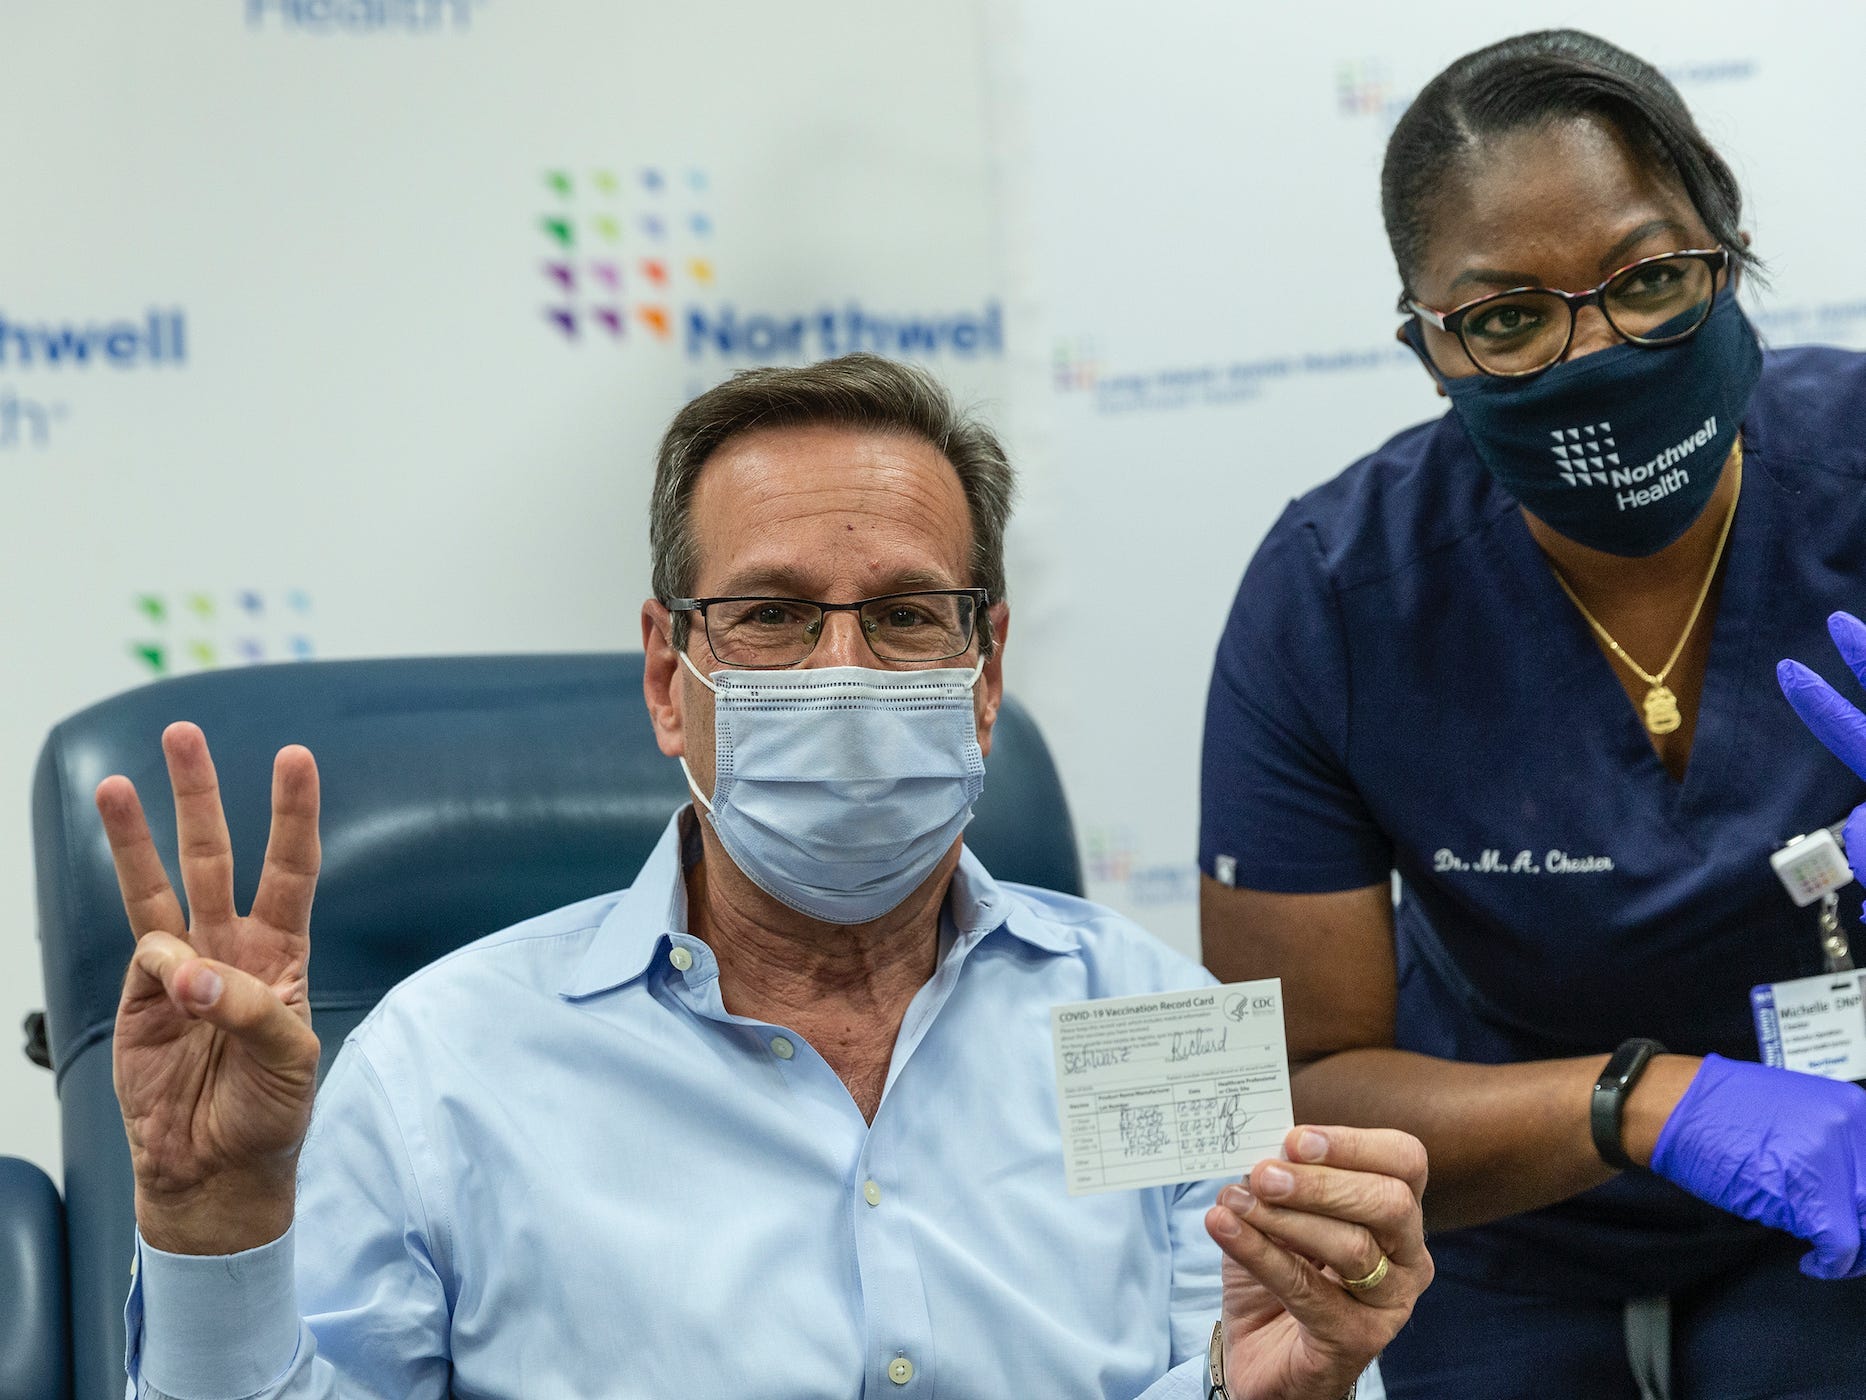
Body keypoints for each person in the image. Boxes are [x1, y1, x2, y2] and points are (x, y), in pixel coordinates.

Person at [105, 354, 1430, 1399]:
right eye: (772, 614)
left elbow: (1257, 1362)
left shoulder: (1154, 1020)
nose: (841, 673)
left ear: (986, 671)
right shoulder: (441, 1069)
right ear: (664, 675)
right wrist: (210, 1222)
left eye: (908, 614)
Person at [1198, 29, 1866, 1400]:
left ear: (1727, 252)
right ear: (1424, 346)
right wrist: (1644, 1100)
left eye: (1651, 279)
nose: (1594, 349)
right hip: (1488, 1215)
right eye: (1505, 317)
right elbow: (1295, 1085)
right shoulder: (1337, 594)